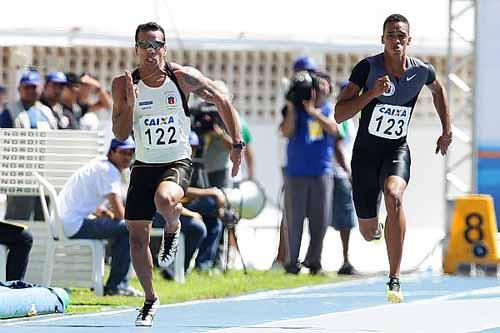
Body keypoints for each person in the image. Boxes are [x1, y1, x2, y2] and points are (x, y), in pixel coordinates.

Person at [111, 22, 243, 326]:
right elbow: (119, 133)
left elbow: (222, 101)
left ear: (164, 49)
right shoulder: (123, 84)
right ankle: (149, 299)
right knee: (135, 236)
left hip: (177, 160)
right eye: (144, 45)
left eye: (156, 45)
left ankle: (173, 225)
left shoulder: (182, 78)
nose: (151, 51)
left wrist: (237, 143)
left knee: (165, 197)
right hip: (144, 164)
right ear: (136, 50)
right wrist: (129, 106)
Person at [334, 14, 452, 303]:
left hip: (396, 150)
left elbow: (439, 91)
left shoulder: (422, 71)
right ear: (382, 39)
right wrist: (372, 93)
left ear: (409, 40)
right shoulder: (367, 68)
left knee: (394, 194)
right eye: (390, 35)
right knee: (368, 232)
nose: (396, 40)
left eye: (401, 35)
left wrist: (446, 130)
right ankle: (382, 228)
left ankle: (394, 278)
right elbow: (339, 114)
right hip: (365, 156)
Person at [56, 137, 141, 297]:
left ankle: (115, 284)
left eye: (131, 153)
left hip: (66, 222)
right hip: (73, 225)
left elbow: (86, 199)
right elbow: (120, 214)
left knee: (124, 228)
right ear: (111, 152)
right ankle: (117, 286)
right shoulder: (109, 171)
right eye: (123, 152)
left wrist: (101, 211)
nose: (127, 157)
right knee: (131, 228)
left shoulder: (100, 164)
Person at [281, 68, 338, 275]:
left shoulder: (329, 109)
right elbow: (287, 132)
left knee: (320, 220)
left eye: (324, 85)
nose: (319, 88)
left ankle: (314, 261)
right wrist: (292, 103)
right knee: (294, 220)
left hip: (321, 171)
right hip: (296, 172)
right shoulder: (295, 108)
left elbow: (334, 130)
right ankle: (292, 262)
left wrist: (314, 111)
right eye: (317, 84)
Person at [331, 81, 358, 276]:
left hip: (342, 172)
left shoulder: (351, 119)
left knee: (345, 218)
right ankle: (345, 260)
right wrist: (347, 172)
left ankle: (345, 259)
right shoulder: (339, 116)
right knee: (344, 218)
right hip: (337, 173)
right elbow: (337, 145)